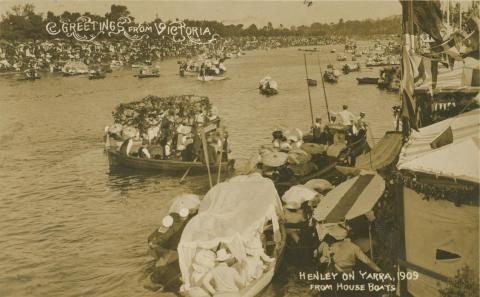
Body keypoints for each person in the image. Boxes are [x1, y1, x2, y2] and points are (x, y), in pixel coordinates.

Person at [317, 226, 381, 274]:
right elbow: (366, 260)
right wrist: (379, 270)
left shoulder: (329, 247)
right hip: (349, 274)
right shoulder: (353, 246)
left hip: (334, 274)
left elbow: (321, 261)